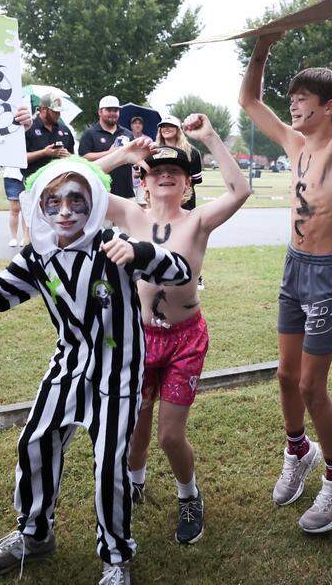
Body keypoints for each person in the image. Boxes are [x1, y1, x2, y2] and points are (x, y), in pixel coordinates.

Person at [0, 157, 191, 584]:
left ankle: (116, 557)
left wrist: (140, 251)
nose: (64, 211)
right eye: (53, 201)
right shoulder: (38, 255)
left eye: (76, 200)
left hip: (119, 372)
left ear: (94, 202)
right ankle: (34, 532)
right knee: (35, 442)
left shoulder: (111, 243)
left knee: (109, 463)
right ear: (39, 207)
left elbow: (180, 272)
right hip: (69, 365)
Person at [237, 3, 332, 534]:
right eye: (291, 99)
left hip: (327, 276)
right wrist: (262, 48)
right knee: (286, 377)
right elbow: (248, 99)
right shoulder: (292, 143)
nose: (292, 106)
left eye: (302, 100)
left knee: (314, 387)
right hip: (293, 270)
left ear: (329, 106)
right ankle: (299, 451)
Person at [95, 115, 250, 546]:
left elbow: (241, 190)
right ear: (142, 181)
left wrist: (210, 138)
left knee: (169, 434)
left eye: (175, 172)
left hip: (185, 338)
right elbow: (72, 182)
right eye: (156, 171)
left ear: (187, 184)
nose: (164, 176)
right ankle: (135, 482)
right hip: (140, 337)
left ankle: (189, 495)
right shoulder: (128, 212)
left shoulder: (197, 221)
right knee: (137, 427)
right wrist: (123, 155)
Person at [11, 90, 74, 246]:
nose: (58, 115)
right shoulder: (27, 128)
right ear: (44, 109)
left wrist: (68, 156)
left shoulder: (64, 130)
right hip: (34, 185)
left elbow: (74, 157)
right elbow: (18, 158)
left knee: (57, 227)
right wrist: (44, 153)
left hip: (60, 186)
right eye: (55, 111)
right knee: (35, 228)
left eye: (60, 112)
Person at [78, 95, 134, 200]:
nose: (113, 113)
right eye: (109, 110)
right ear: (100, 112)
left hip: (126, 192)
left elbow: (132, 157)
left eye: (116, 110)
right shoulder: (90, 133)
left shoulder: (128, 133)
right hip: (99, 193)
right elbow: (84, 157)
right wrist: (110, 153)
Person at [156, 114, 204, 210]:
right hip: (160, 199)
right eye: (163, 126)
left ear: (178, 129)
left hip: (184, 201)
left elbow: (195, 180)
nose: (166, 128)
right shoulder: (153, 151)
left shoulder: (192, 152)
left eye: (170, 125)